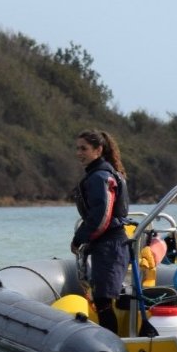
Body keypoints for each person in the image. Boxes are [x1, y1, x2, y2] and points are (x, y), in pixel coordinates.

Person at [70, 129, 131, 333]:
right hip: (106, 244)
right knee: (102, 299)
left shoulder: (100, 176)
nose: (79, 153)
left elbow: (101, 216)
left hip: (111, 244)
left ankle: (112, 347)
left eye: (84, 149)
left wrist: (79, 239)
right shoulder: (101, 173)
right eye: (77, 148)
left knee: (103, 300)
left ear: (98, 150)